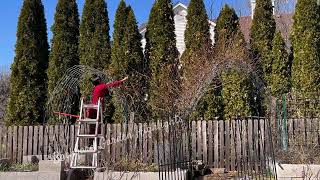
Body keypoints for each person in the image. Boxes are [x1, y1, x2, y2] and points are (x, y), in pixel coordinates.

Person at [87, 76, 128, 140]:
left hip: (91, 110)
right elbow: (112, 84)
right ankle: (95, 142)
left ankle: (91, 142)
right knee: (97, 127)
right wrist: (123, 80)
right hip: (96, 110)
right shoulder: (101, 86)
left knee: (93, 127)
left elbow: (105, 92)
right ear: (99, 81)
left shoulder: (95, 88)